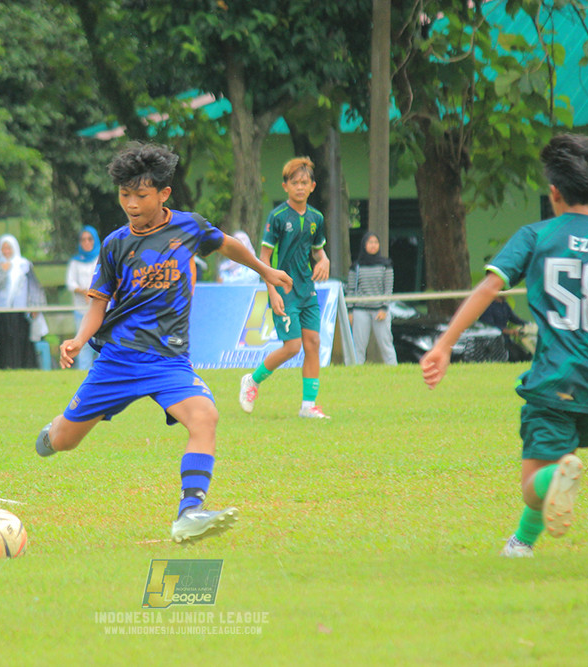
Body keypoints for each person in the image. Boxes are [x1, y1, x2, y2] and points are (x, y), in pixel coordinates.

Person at [34, 142, 292, 544]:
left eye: (141, 195)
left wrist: (264, 270)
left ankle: (189, 512)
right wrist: (78, 339)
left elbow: (228, 244)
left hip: (169, 361)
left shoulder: (189, 227)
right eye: (124, 195)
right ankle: (53, 431)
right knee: (64, 442)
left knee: (205, 417)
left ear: (163, 193)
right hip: (118, 361)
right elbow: (97, 305)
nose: (132, 204)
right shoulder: (114, 244)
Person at [420, 134, 588, 558]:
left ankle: (554, 484)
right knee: (559, 453)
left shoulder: (536, 236)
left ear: (554, 193)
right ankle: (521, 544)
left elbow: (489, 287)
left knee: (535, 484)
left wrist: (444, 344)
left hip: (553, 378)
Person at [239, 156, 331, 418]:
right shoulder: (277, 217)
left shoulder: (317, 218)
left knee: (312, 342)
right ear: (285, 186)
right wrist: (273, 292)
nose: (300, 187)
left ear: (312, 186)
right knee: (292, 347)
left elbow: (318, 252)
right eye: (294, 182)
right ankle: (252, 380)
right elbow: (264, 259)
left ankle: (308, 406)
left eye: (304, 182)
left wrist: (324, 260)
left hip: (307, 290)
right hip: (283, 290)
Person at [0, 234, 46, 369]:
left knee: (20, 340)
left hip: (20, 310)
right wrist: (3, 270)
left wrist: (35, 306)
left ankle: (21, 366)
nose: (6, 251)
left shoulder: (24, 265)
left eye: (9, 248)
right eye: (4, 248)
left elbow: (34, 287)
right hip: (1, 310)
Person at [347, 231, 397, 365]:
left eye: (376, 242)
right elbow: (351, 289)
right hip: (360, 310)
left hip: (380, 311)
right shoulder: (356, 266)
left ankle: (394, 370)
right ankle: (355, 373)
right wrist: (350, 311)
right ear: (364, 245)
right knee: (359, 346)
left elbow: (388, 289)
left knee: (386, 344)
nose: (373, 246)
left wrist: (384, 308)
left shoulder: (385, 265)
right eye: (370, 243)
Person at [64, 225, 101, 370]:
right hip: (81, 309)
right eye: (83, 240)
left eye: (89, 239)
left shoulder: (100, 257)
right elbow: (70, 283)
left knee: (101, 343)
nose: (86, 242)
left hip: (100, 309)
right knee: (83, 343)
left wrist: (92, 293)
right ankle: (83, 374)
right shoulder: (75, 261)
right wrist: (82, 291)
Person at [479, 295, 533, 362]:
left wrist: (529, 324)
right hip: (494, 343)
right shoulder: (487, 307)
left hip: (506, 340)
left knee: (524, 355)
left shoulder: (505, 305)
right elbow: (490, 326)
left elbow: (514, 318)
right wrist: (509, 331)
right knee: (514, 356)